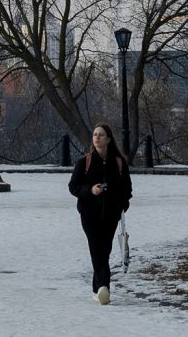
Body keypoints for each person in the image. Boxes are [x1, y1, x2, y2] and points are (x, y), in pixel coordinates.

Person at [68, 123, 133, 305]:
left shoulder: (119, 162)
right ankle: (104, 287)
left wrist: (121, 205)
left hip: (111, 215)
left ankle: (98, 290)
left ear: (109, 139)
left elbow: (127, 189)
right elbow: (73, 186)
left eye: (101, 135)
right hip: (89, 214)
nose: (97, 137)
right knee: (96, 250)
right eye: (95, 134)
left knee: (105, 250)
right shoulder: (85, 162)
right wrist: (90, 190)